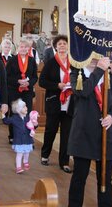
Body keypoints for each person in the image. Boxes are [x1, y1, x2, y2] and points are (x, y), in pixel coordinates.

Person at [67, 57, 112, 207]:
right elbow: (83, 91)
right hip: (83, 135)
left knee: (105, 180)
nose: (96, 58)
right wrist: (99, 70)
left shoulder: (109, 76)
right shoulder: (77, 74)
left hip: (105, 135)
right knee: (79, 178)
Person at [39, 34, 74, 173]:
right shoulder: (51, 63)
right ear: (56, 47)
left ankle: (64, 161)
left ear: (67, 46)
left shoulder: (74, 63)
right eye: (59, 44)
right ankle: (45, 154)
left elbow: (80, 78)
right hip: (55, 101)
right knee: (51, 130)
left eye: (64, 43)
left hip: (70, 103)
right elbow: (42, 81)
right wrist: (57, 85)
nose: (62, 46)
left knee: (67, 133)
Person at [2, 98, 36, 174]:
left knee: (27, 152)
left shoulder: (28, 118)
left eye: (26, 106)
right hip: (19, 140)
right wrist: (3, 115)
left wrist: (35, 123)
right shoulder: (14, 118)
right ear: (18, 110)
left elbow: (32, 126)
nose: (26, 108)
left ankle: (25, 161)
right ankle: (18, 167)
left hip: (27, 139)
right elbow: (6, 122)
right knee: (19, 154)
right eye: (24, 107)